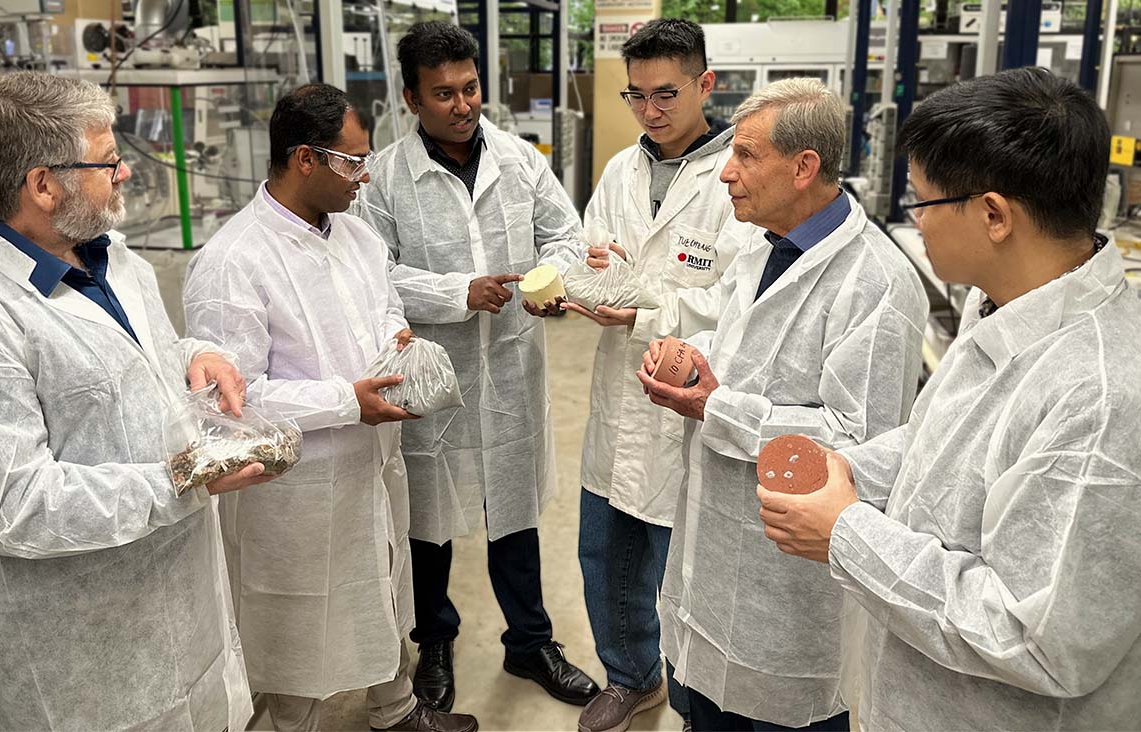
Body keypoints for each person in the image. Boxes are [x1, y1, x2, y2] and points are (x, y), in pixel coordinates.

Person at [758, 67, 1141, 731]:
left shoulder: (1101, 397)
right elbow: (946, 434)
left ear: (994, 214)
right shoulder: (1004, 303)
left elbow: (1037, 639)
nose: (917, 228)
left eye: (923, 205)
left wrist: (847, 532)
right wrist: (852, 471)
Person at [0, 71, 268, 730]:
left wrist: (195, 354)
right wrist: (185, 479)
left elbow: (137, 359)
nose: (126, 175)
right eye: (107, 163)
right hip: (84, 657)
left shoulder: (107, 256)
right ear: (42, 184)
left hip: (183, 604)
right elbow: (11, 507)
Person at [183, 84, 478, 732]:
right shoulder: (233, 262)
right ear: (304, 160)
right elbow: (232, 401)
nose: (363, 174)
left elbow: (386, 307)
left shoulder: (355, 234)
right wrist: (346, 403)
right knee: (299, 635)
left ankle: (397, 710)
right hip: (295, 493)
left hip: (370, 465)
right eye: (351, 162)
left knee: (379, 589)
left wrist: (398, 339)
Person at [636, 78, 928, 731]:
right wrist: (692, 354)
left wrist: (719, 407)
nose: (726, 175)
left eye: (745, 156)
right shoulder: (761, 243)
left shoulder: (875, 283)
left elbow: (859, 444)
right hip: (709, 562)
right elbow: (749, 348)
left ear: (804, 167)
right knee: (702, 707)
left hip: (788, 597)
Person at [357, 20, 597, 714]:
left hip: (512, 365)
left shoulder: (520, 160)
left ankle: (530, 642)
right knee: (429, 519)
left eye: (470, 88)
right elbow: (374, 275)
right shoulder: (387, 177)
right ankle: (433, 640)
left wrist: (551, 284)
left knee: (513, 511)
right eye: (444, 94)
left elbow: (565, 236)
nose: (463, 105)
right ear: (411, 99)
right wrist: (456, 292)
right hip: (433, 373)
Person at [565, 19, 750, 732]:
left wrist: (643, 310)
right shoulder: (621, 170)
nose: (650, 110)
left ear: (706, 83)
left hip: (687, 405)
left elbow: (740, 300)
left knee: (686, 569)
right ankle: (628, 676)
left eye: (666, 92)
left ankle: (698, 697)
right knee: (606, 552)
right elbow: (593, 254)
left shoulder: (737, 171)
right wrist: (582, 286)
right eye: (636, 95)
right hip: (619, 397)